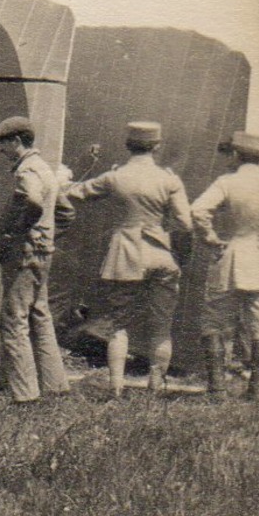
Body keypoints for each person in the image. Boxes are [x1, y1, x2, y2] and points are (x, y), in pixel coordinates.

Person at [64, 120, 193, 397]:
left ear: (127, 145)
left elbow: (76, 193)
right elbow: (185, 223)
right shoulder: (169, 179)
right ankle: (156, 387)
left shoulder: (115, 177)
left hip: (126, 257)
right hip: (161, 254)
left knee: (118, 325)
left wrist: (63, 179)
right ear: (157, 147)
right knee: (161, 326)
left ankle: (117, 388)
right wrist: (161, 230)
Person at [190, 131, 259, 400]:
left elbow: (198, 210)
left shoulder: (227, 182)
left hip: (232, 254)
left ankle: (217, 389)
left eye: (230, 153)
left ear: (236, 155)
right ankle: (256, 387)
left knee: (214, 320)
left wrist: (211, 238)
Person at [0, 115, 70, 403]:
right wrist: (45, 239)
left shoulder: (26, 171)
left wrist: (18, 235)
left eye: (3, 144)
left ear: (16, 142)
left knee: (14, 321)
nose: (1, 151)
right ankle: (56, 387)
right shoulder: (46, 169)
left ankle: (25, 397)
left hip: (23, 255)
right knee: (40, 315)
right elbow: (65, 213)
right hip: (42, 254)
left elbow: (34, 202)